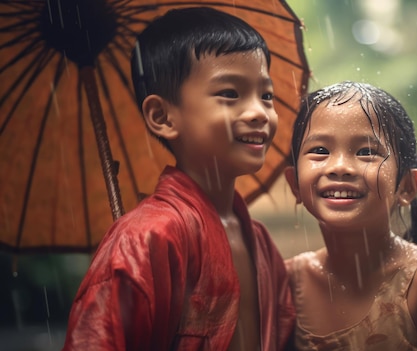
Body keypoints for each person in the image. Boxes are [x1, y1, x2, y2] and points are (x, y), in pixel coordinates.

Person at [62, 7, 294, 351]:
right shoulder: (146, 239)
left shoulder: (258, 239)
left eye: (266, 95)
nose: (259, 112)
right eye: (230, 93)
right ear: (162, 116)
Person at [284, 81, 417, 350]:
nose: (340, 167)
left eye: (366, 152)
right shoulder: (286, 280)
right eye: (321, 151)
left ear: (406, 186)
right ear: (295, 183)